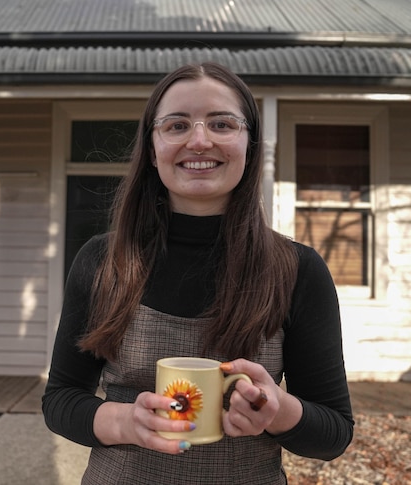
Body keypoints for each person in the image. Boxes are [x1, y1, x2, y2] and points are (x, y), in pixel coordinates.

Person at [42, 62, 353, 484]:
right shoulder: (102, 262)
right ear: (152, 149)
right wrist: (124, 422)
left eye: (222, 123)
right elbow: (60, 400)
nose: (200, 140)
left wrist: (276, 408)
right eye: (176, 126)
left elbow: (333, 434)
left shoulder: (298, 270)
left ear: (250, 144)